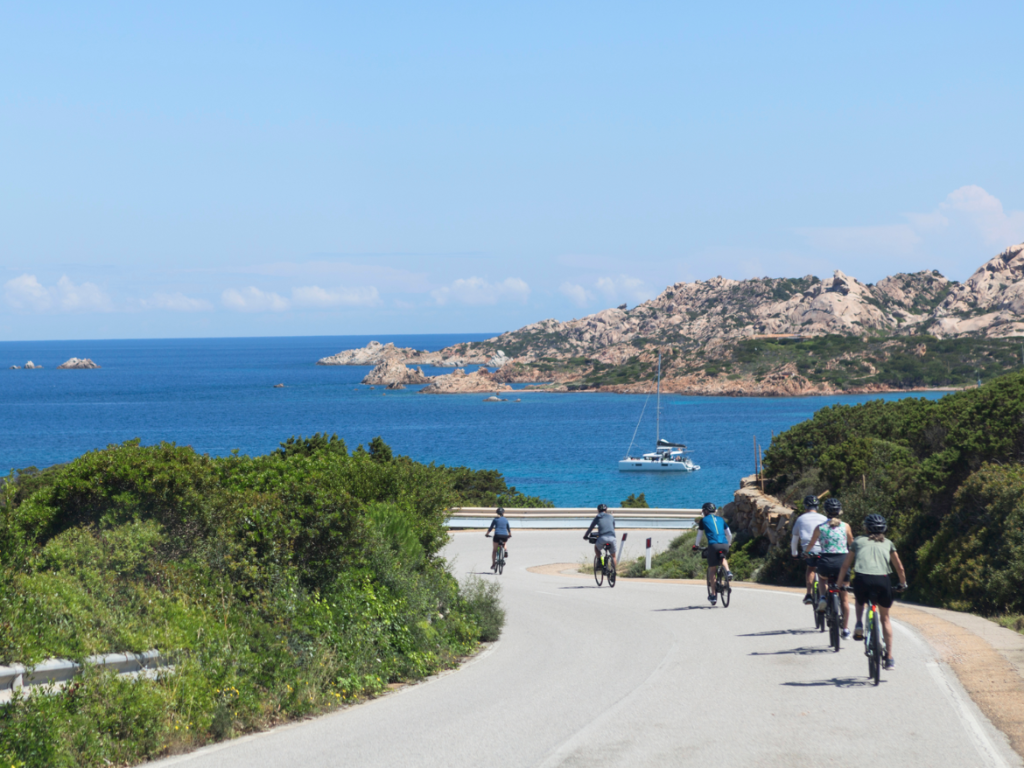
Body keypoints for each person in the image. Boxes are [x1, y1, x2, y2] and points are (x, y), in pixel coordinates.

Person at [837, 514, 908, 671]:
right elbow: (900, 568)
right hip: (883, 581)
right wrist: (902, 584)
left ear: (866, 528)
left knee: (860, 600)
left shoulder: (858, 541)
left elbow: (844, 566)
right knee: (885, 619)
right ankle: (889, 658)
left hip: (862, 579)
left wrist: (839, 585)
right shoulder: (888, 543)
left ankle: (859, 623)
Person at [806, 497, 854, 639]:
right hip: (842, 563)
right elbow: (852, 544)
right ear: (839, 511)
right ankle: (845, 629)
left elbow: (811, 545)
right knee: (844, 599)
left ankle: (822, 597)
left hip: (826, 561)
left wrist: (806, 553)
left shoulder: (820, 528)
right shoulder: (846, 526)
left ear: (825, 512)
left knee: (822, 578)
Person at [692, 502, 733, 605]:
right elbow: (729, 534)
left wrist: (696, 545)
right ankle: (728, 572)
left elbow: (699, 535)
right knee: (723, 558)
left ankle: (713, 595)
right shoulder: (721, 519)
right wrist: (729, 543)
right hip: (724, 544)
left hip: (713, 545)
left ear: (705, 511)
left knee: (712, 569)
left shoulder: (703, 520)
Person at [791, 495, 828, 605]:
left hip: (809, 551)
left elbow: (794, 539)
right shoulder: (824, 518)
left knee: (811, 568)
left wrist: (794, 554)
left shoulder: (800, 519)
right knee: (824, 574)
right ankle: (827, 596)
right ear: (817, 507)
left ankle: (808, 594)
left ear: (805, 507)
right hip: (824, 551)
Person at [583, 504, 617, 569]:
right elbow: (613, 527)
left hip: (602, 538)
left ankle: (599, 562)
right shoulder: (611, 517)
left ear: (598, 510)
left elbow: (591, 528)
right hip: (612, 538)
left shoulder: (597, 517)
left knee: (596, 547)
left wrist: (586, 536)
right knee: (614, 557)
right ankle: (614, 573)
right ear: (606, 510)